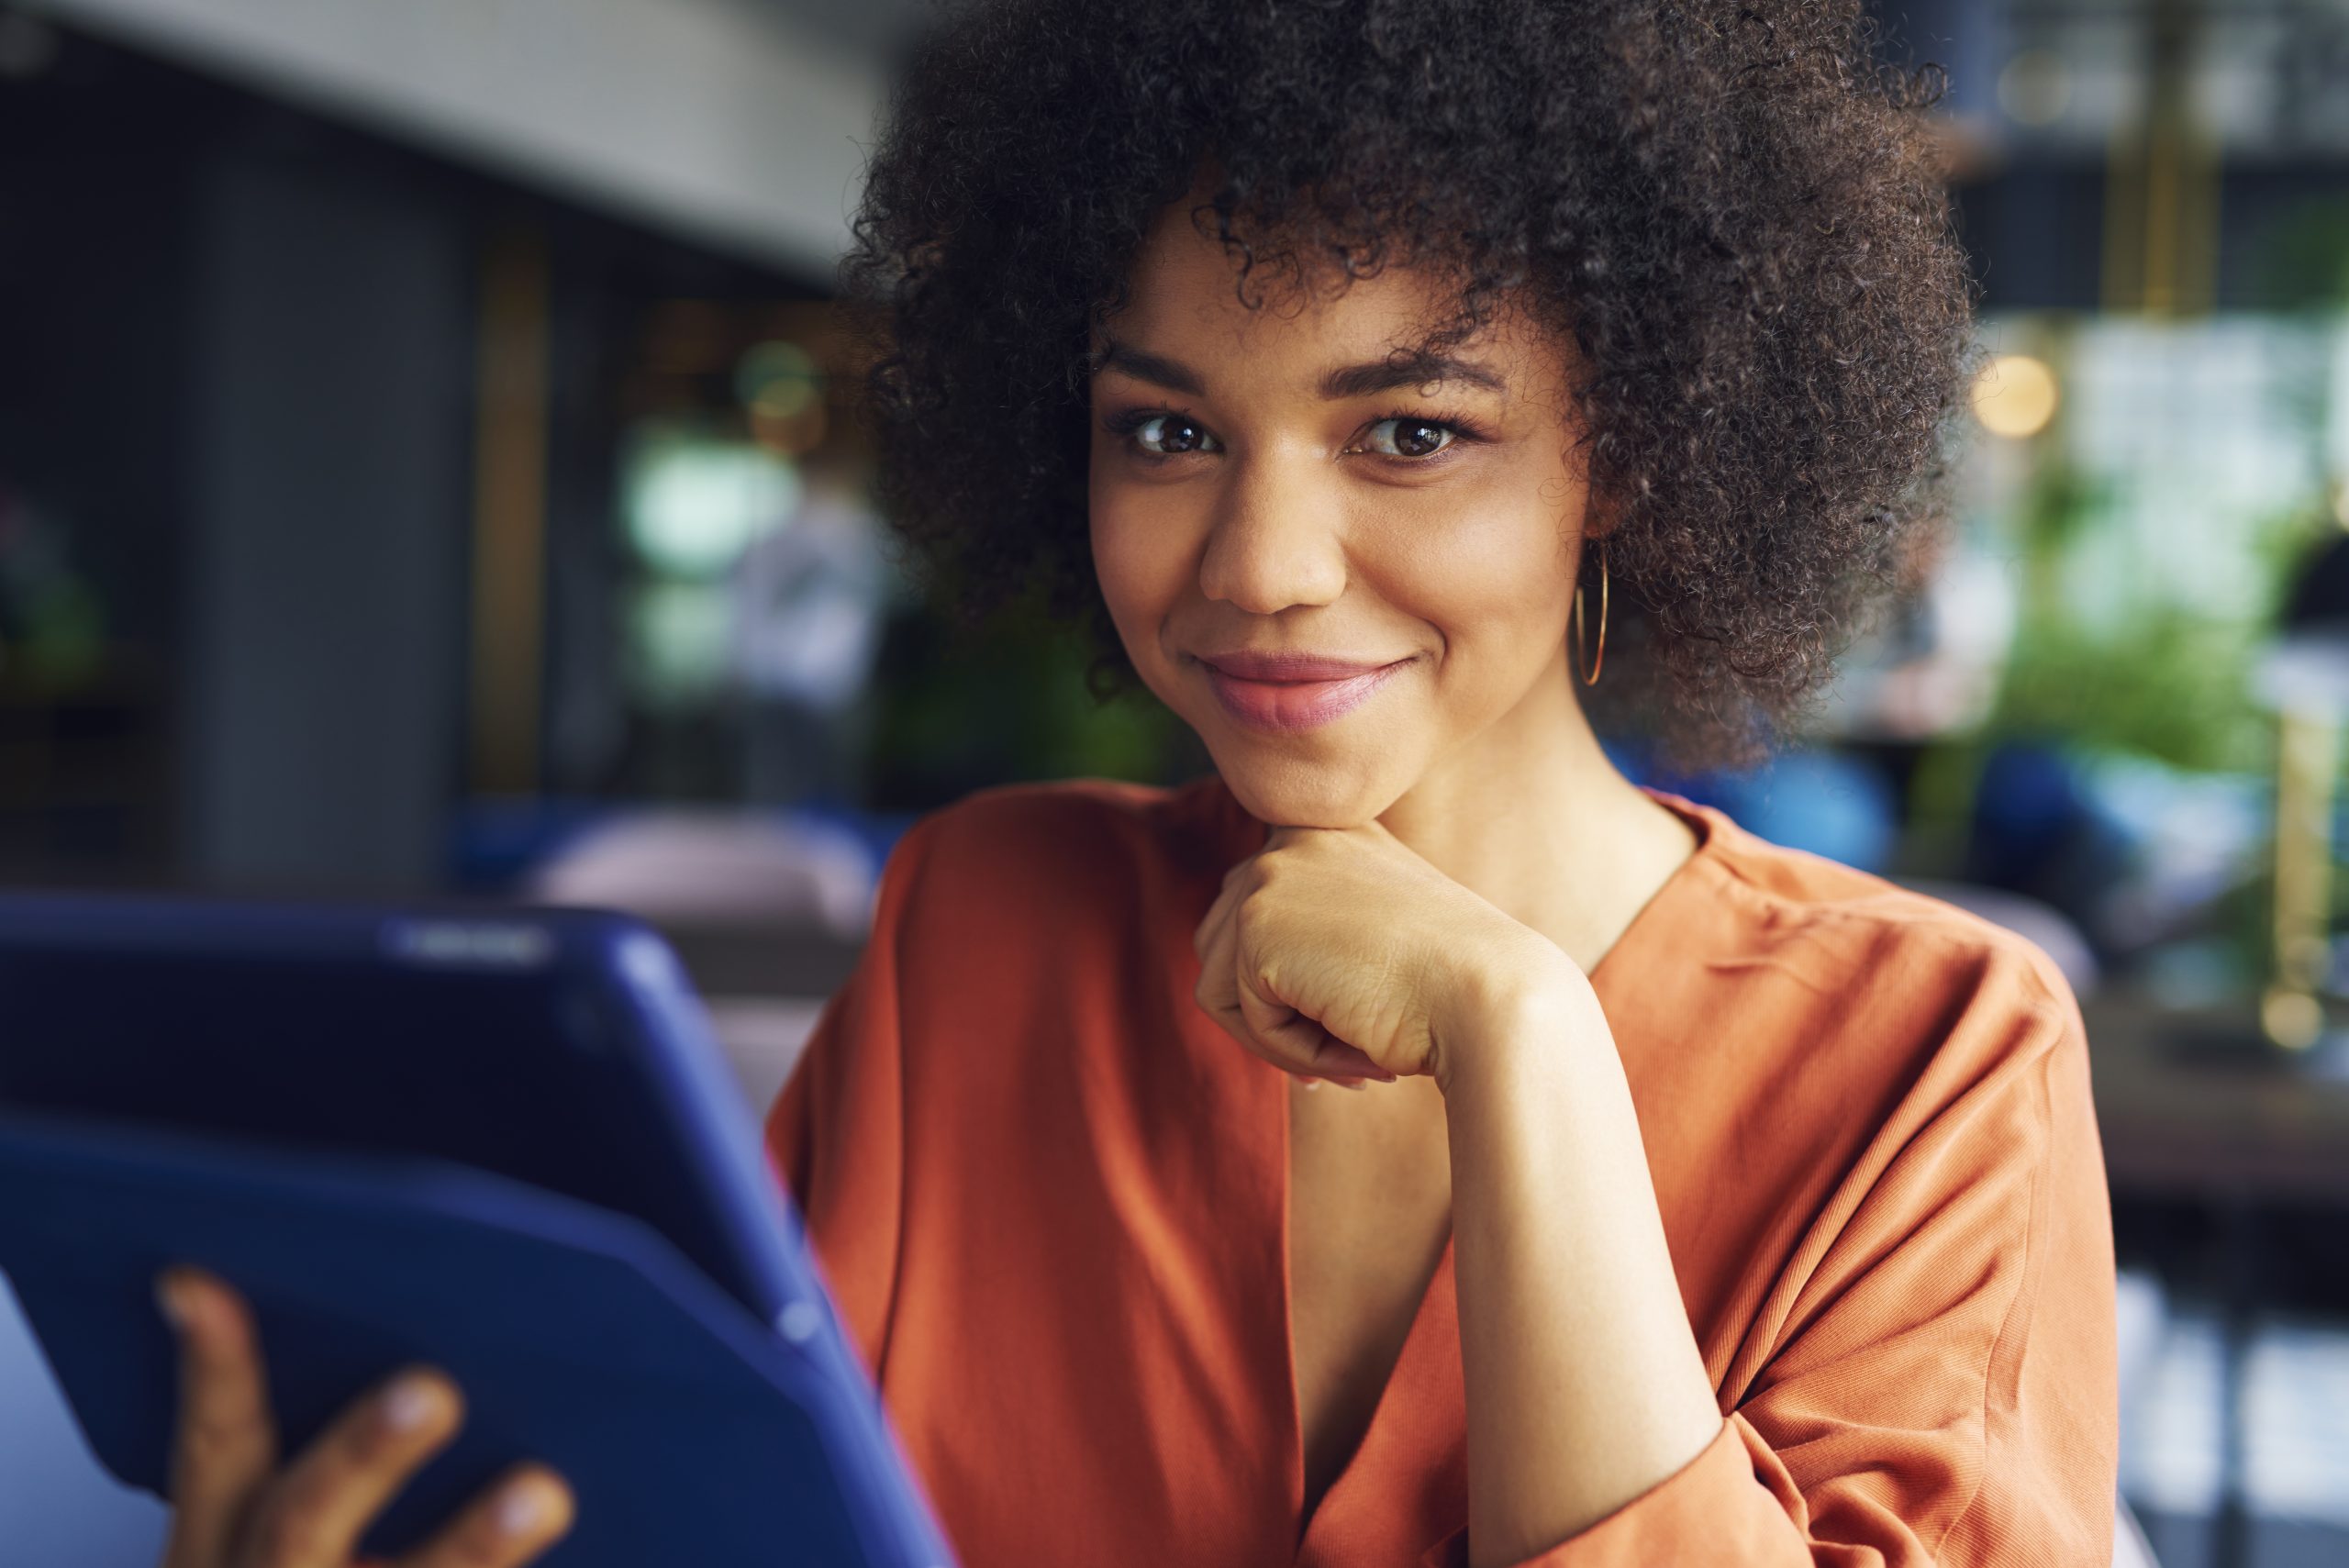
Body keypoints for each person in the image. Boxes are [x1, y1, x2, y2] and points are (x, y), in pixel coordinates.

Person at [148, 2, 2119, 1564]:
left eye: (1408, 433)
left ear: (1631, 456)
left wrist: (1517, 1033)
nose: (1256, 561)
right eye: (1165, 426)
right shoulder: (981, 925)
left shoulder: (1930, 1051)